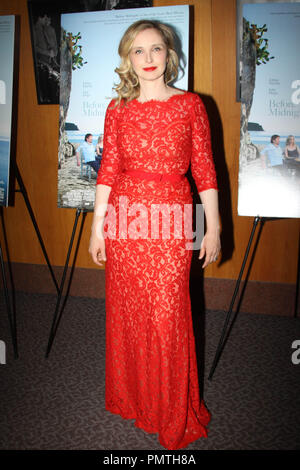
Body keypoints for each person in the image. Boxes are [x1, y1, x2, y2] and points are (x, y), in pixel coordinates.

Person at [88, 20, 221, 450]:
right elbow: (108, 171)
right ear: (128, 59)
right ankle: (136, 400)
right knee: (132, 311)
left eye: (156, 49)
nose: (148, 59)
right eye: (138, 51)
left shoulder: (191, 106)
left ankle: (170, 410)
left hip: (172, 218)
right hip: (126, 219)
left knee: (168, 312)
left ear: (170, 55)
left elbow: (204, 169)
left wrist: (213, 226)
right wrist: (97, 228)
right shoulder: (117, 109)